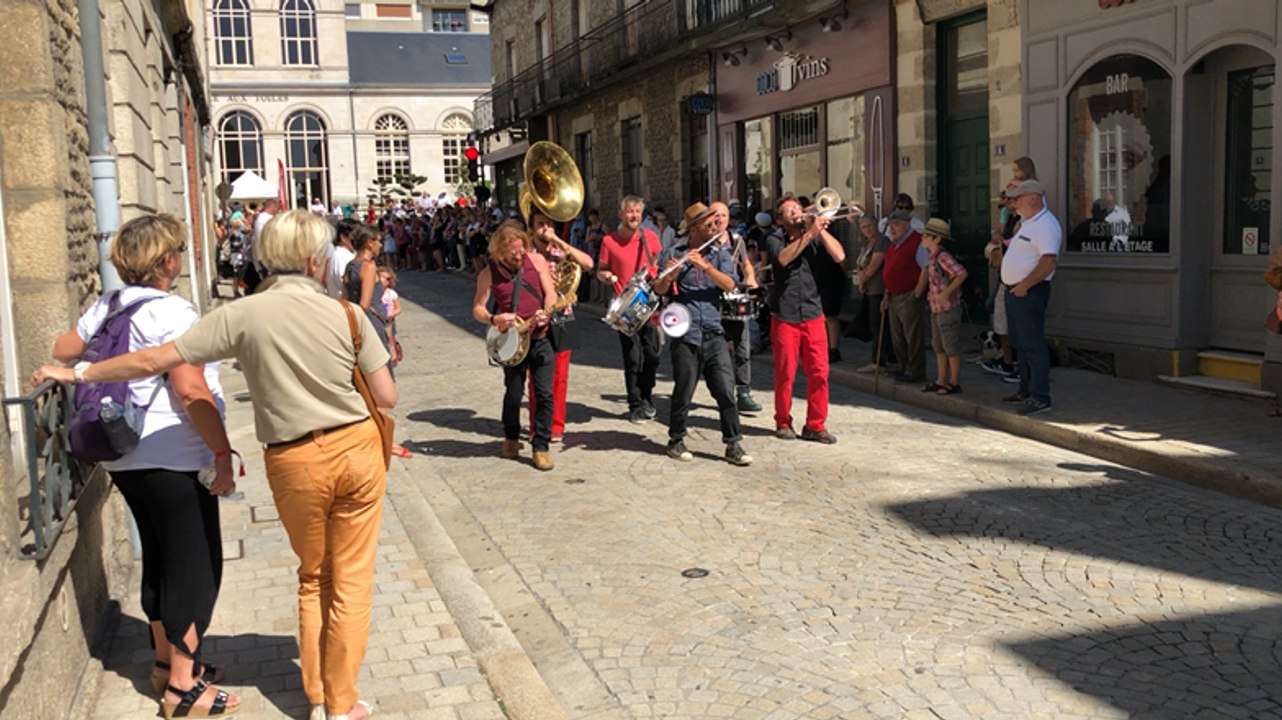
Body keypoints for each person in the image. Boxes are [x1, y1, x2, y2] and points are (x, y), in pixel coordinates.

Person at [35, 210, 397, 720]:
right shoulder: (348, 315)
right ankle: (340, 703)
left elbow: (152, 361)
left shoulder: (241, 314)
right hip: (354, 450)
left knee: (314, 576)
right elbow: (387, 396)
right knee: (351, 579)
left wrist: (81, 372)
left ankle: (317, 695)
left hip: (292, 460)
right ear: (317, 262)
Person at [48, 214, 237, 717]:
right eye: (176, 250)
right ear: (167, 259)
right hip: (173, 452)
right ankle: (183, 685)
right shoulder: (173, 312)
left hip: (123, 454)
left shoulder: (109, 304)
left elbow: (64, 347)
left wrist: (90, 355)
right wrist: (222, 454)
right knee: (195, 567)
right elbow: (190, 388)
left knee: (158, 555)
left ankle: (164, 661)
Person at [654, 203, 752, 465]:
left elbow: (731, 283)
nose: (714, 228)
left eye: (715, 223)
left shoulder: (719, 253)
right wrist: (670, 276)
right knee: (684, 389)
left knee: (724, 390)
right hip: (685, 333)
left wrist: (707, 267)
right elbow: (660, 289)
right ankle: (676, 439)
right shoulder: (673, 252)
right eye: (708, 225)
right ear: (694, 229)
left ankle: (733, 444)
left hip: (713, 330)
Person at [471, 221, 559, 471]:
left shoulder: (537, 261)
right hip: (514, 342)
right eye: (514, 253)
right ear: (500, 251)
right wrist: (493, 318)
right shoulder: (488, 273)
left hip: (541, 337)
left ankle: (540, 446)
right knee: (513, 393)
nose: (520, 255)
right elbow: (477, 308)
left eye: (522, 250)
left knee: (544, 394)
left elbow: (550, 293)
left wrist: (547, 310)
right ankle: (510, 436)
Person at [764, 196, 844, 444]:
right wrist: (809, 234)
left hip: (812, 311)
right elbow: (784, 259)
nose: (796, 213)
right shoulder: (774, 238)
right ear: (780, 219)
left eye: (798, 208)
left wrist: (819, 229)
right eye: (790, 211)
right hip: (785, 314)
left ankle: (815, 425)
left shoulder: (815, 235)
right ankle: (782, 421)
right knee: (785, 372)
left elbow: (840, 256)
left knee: (820, 372)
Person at [527, 210, 594, 443]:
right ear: (531, 228)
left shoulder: (560, 251)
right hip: (537, 318)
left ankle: (556, 427)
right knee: (536, 377)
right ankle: (537, 427)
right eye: (539, 224)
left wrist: (558, 240)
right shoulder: (528, 255)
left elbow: (588, 263)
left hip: (563, 317)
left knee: (560, 376)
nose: (544, 229)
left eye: (548, 224)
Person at [597, 195, 664, 423]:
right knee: (633, 357)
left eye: (637, 211)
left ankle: (647, 395)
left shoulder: (650, 238)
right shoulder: (609, 241)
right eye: (629, 211)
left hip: (646, 302)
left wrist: (655, 275)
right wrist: (606, 276)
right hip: (624, 307)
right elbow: (601, 269)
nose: (634, 215)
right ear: (621, 214)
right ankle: (635, 403)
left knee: (652, 355)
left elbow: (655, 261)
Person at [1001, 179, 1060, 415]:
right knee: (1021, 344)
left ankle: (1040, 396)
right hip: (1016, 290)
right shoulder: (1028, 224)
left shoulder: (1046, 224)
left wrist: (1025, 285)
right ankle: (1026, 389)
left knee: (1033, 344)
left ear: (1033, 197)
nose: (1013, 203)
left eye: (1018, 198)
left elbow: (1048, 261)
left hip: (1030, 291)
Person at [709, 201, 762, 413]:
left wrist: (751, 278)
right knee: (714, 348)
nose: (719, 219)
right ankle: (720, 388)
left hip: (734, 297)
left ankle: (744, 391)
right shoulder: (704, 242)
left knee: (742, 345)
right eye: (715, 215)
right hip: (711, 300)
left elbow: (746, 264)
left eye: (723, 215)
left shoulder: (736, 240)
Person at [919, 219, 968, 395]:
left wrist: (946, 292)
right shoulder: (932, 257)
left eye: (926, 236)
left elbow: (961, 274)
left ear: (937, 239)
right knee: (938, 345)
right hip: (936, 308)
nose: (922, 238)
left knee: (950, 345)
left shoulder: (942, 257)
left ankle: (954, 382)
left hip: (947, 308)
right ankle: (941, 380)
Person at [881, 209, 928, 384]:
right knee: (897, 335)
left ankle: (916, 372)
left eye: (896, 225)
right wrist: (886, 294)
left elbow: (926, 268)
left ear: (906, 225)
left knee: (912, 335)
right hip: (894, 295)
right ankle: (903, 366)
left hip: (909, 294)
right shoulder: (894, 243)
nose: (892, 229)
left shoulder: (917, 241)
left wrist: (917, 292)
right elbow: (889, 270)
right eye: (890, 226)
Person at [853, 215, 898, 373]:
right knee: (874, 324)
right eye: (864, 227)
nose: (868, 229)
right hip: (869, 289)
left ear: (876, 225)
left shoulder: (881, 241)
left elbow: (874, 265)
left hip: (879, 288)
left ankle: (879, 361)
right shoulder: (866, 244)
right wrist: (861, 277)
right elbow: (860, 264)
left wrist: (862, 279)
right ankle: (888, 357)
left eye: (870, 225)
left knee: (878, 324)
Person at [326, 218, 358, 300]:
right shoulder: (342, 256)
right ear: (343, 237)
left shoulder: (344, 253)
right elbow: (346, 282)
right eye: (355, 236)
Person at [379, 265, 403, 367]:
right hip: (379, 320)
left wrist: (392, 313)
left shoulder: (391, 293)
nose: (384, 281)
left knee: (391, 339)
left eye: (387, 279)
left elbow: (398, 308)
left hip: (389, 322)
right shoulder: (375, 293)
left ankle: (393, 357)